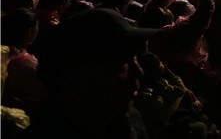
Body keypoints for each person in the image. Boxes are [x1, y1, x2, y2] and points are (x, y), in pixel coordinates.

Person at [24, 8, 162, 139]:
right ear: (73, 80)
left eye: (135, 58)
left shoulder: (125, 117)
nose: (139, 72)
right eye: (121, 65)